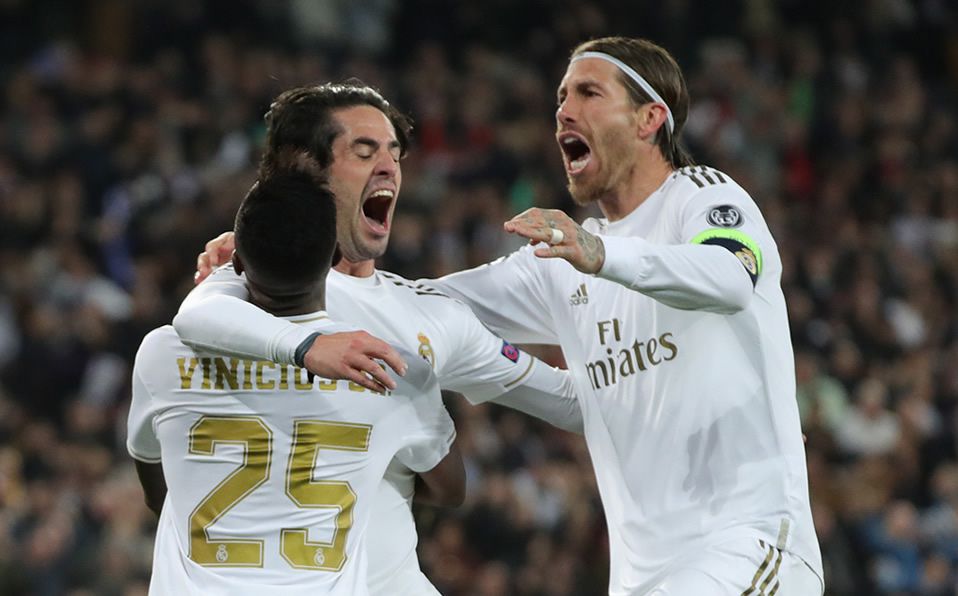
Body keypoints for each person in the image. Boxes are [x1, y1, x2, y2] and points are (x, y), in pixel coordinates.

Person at [193, 37, 827, 594]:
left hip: (749, 540)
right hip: (643, 571)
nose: (563, 111)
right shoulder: (560, 264)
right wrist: (272, 248)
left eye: (588, 92)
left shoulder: (703, 197)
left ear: (649, 118)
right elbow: (416, 305)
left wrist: (599, 253)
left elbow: (729, 278)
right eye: (559, 97)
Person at [176, 82, 582, 595]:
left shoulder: (429, 318)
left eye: (395, 152)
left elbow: (572, 403)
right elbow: (196, 315)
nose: (389, 167)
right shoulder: (258, 280)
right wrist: (313, 348)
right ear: (303, 164)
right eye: (364, 152)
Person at [126, 170, 464, 595]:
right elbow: (451, 489)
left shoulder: (162, 354)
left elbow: (157, 491)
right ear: (333, 257)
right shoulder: (390, 368)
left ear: (237, 261)